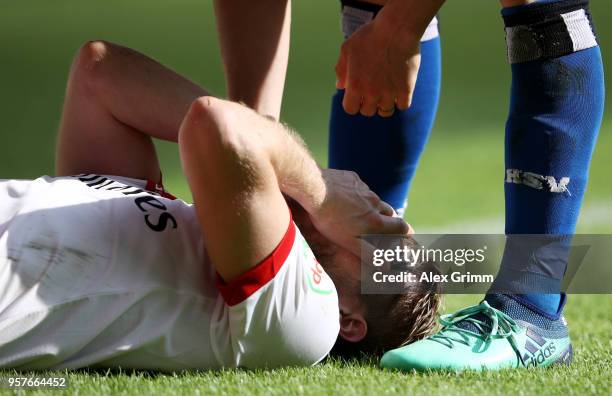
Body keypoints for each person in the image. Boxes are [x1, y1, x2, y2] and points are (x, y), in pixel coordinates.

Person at [0, 41, 441, 370]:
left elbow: (221, 126)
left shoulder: (309, 325)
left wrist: (321, 192)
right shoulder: (166, 207)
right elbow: (99, 72)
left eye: (382, 249)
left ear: (350, 320)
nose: (372, 220)